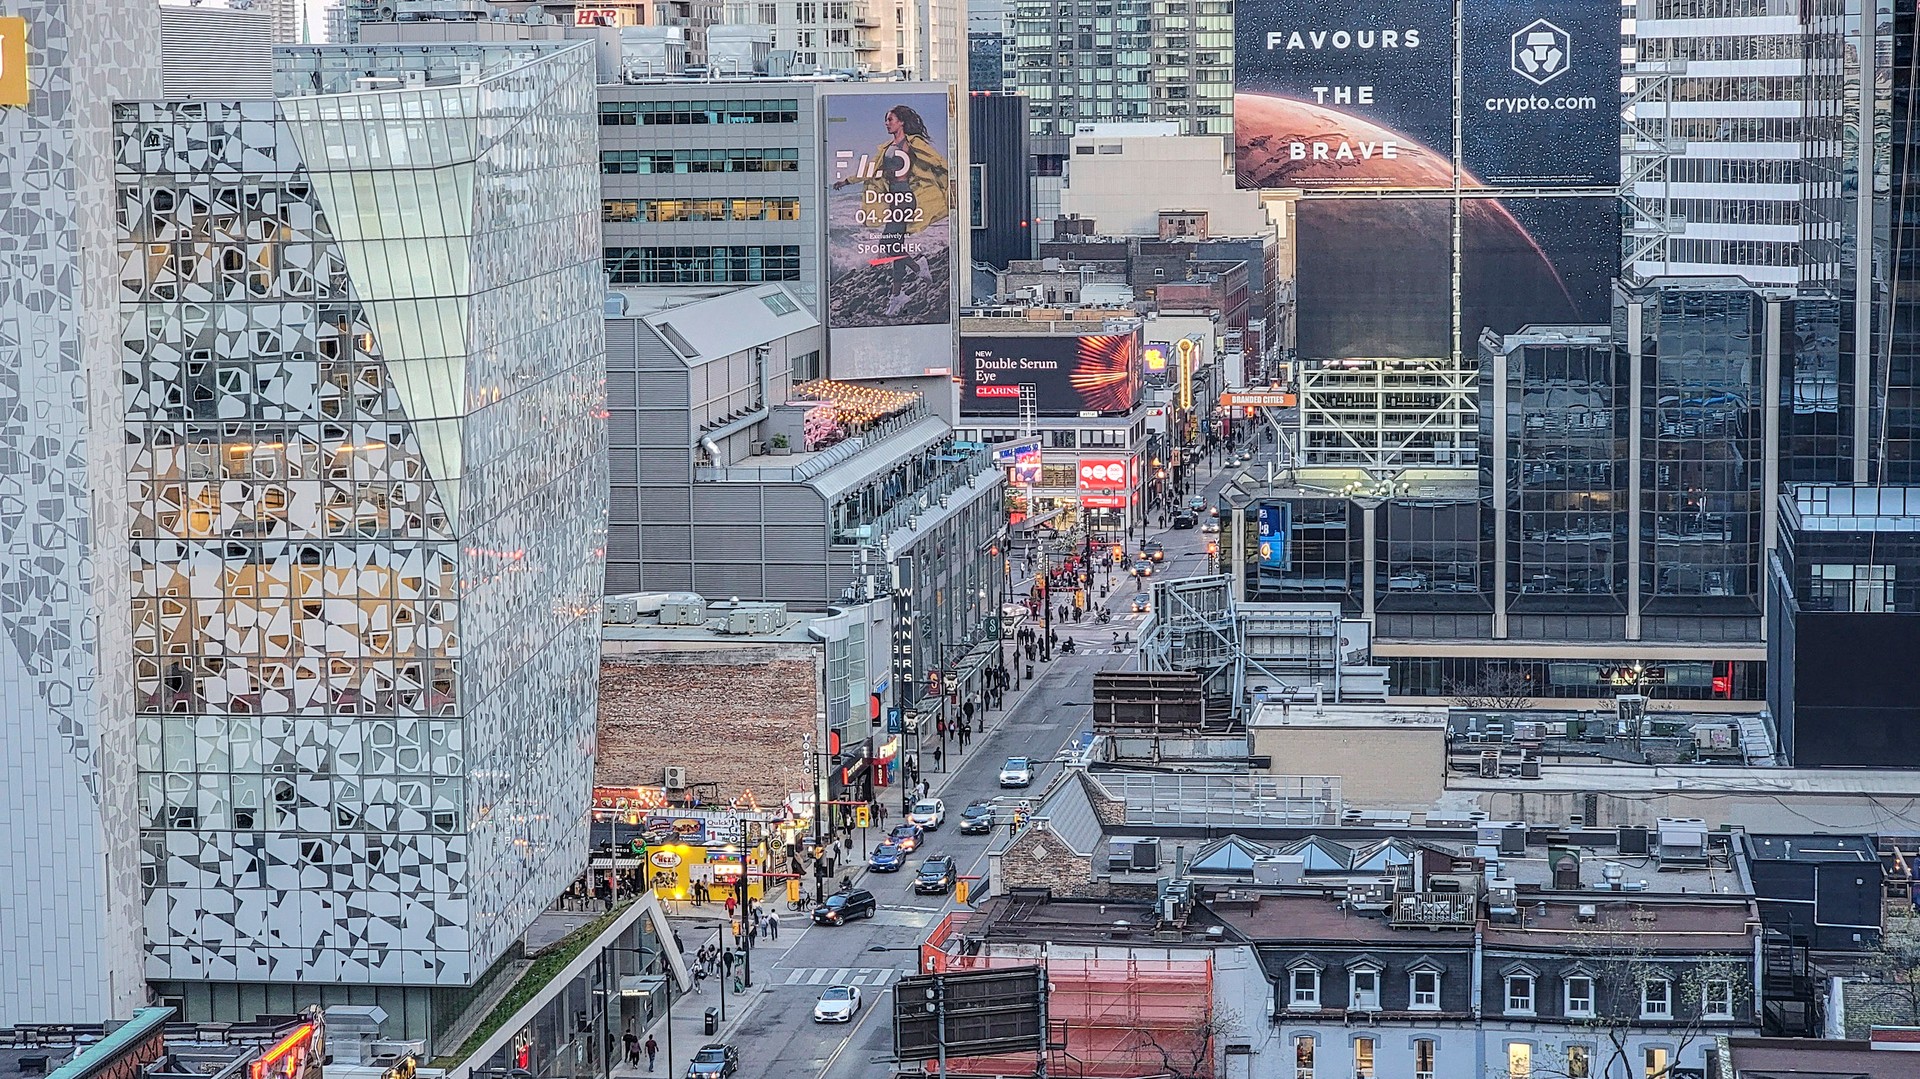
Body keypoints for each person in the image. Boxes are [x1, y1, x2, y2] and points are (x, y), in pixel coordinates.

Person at [835, 103, 952, 318]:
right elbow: (871, 170)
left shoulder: (913, 143)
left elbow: (937, 161)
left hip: (905, 198)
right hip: (893, 199)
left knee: (888, 245)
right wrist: (847, 180)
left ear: (902, 122)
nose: (886, 123)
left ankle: (918, 268)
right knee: (895, 246)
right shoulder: (886, 147)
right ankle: (897, 295)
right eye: (886, 120)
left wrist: (953, 178)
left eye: (890, 119)